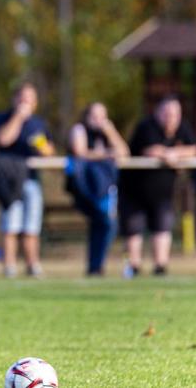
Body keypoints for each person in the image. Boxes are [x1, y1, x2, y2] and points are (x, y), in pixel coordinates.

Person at [119, 96, 196, 277]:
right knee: (134, 229)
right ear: (158, 113)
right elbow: (149, 149)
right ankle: (134, 267)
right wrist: (167, 154)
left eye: (175, 114)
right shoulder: (147, 126)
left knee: (162, 227)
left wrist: (174, 153)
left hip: (162, 192)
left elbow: (194, 148)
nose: (171, 118)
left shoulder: (182, 127)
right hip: (135, 190)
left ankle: (160, 267)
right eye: (167, 113)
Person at [0, 82, 55, 278]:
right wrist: (18, 117)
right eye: (22, 98)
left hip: (31, 180)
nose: (25, 102)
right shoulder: (3, 118)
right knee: (10, 225)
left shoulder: (39, 123)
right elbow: (3, 140)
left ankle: (32, 266)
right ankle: (9, 267)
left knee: (31, 227)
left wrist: (43, 148)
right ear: (14, 99)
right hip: (9, 180)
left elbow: (50, 152)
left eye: (29, 99)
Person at [67, 102, 129, 275]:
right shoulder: (79, 130)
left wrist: (110, 131)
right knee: (104, 222)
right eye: (94, 116)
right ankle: (95, 266)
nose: (98, 120)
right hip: (85, 188)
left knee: (107, 223)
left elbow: (124, 152)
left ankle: (96, 266)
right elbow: (79, 151)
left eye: (102, 116)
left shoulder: (106, 133)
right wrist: (107, 154)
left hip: (104, 190)